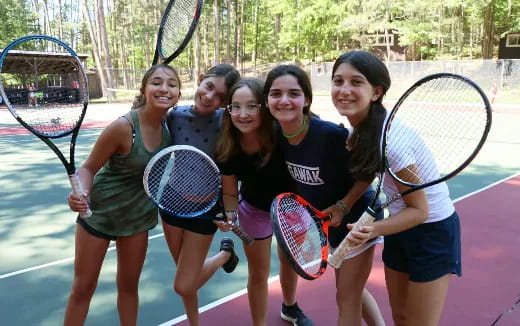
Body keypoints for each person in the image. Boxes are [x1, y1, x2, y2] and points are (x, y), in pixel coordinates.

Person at [332, 50, 462, 326]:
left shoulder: (393, 142)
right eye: (338, 81)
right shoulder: (363, 127)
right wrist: (344, 205)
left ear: (376, 91)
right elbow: (369, 171)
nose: (344, 90)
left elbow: (419, 211)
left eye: (356, 82)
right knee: (400, 317)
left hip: (432, 231)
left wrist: (371, 230)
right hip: (400, 229)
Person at [264, 64, 385, 326]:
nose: (284, 100)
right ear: (267, 100)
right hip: (323, 223)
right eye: (275, 94)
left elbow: (368, 171)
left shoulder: (331, 135)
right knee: (351, 291)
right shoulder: (275, 136)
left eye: (293, 94)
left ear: (306, 99)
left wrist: (344, 204)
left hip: (356, 220)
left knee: (347, 298)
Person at [64, 64, 181, 325]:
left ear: (179, 95)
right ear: (145, 90)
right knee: (83, 287)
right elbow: (88, 168)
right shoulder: (123, 127)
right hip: (100, 214)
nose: (164, 88)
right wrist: (81, 193)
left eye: (171, 84)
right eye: (157, 83)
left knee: (129, 288)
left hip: (138, 217)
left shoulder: (173, 127)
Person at [160, 63, 241, 326]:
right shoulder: (174, 117)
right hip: (171, 205)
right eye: (209, 87)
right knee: (184, 275)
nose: (210, 98)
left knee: (185, 283)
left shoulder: (227, 124)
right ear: (200, 78)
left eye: (220, 97)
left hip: (205, 211)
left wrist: (231, 211)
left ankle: (223, 256)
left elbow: (231, 178)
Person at [214, 78, 293, 326]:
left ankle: (290, 307)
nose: (243, 114)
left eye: (251, 106)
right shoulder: (227, 145)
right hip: (254, 209)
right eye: (235, 107)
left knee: (288, 263)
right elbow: (229, 193)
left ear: (264, 107)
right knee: (258, 274)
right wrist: (229, 214)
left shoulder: (283, 134)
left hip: (290, 209)